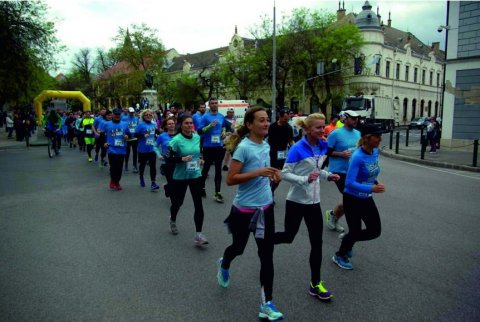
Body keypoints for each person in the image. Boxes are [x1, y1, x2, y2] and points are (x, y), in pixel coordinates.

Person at [216, 107, 283, 321]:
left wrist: (273, 174)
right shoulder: (243, 148)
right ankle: (225, 262)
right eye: (261, 120)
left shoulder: (266, 144)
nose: (266, 123)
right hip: (243, 210)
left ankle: (267, 304)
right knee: (238, 248)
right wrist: (259, 173)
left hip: (265, 208)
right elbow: (231, 179)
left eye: (267, 120)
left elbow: (264, 169)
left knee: (266, 256)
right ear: (249, 124)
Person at [274, 113, 339, 301]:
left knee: (317, 243)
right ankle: (266, 241)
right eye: (319, 127)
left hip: (314, 203)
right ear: (309, 129)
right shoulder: (297, 149)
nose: (322, 130)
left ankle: (315, 283)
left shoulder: (322, 146)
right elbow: (284, 173)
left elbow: (316, 169)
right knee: (288, 236)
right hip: (296, 201)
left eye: (323, 126)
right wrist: (304, 179)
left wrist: (328, 175)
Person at [332, 123, 386, 270]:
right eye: (377, 136)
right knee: (355, 230)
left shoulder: (374, 152)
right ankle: (340, 255)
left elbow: (371, 171)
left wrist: (376, 181)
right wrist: (372, 188)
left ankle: (349, 239)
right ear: (367, 138)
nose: (380, 139)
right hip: (352, 199)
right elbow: (349, 183)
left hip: (366, 198)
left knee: (375, 231)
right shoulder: (357, 157)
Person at [165, 114, 208, 245]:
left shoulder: (197, 137)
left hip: (195, 174)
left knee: (198, 204)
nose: (190, 125)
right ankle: (172, 219)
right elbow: (167, 158)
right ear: (181, 125)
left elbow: (199, 151)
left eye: (191, 123)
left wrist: (200, 158)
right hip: (180, 176)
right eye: (186, 123)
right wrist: (181, 159)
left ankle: (199, 235)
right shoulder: (175, 140)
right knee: (178, 202)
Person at [325, 110, 361, 235]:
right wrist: (340, 154)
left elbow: (359, 152)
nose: (355, 120)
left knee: (351, 199)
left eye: (357, 118)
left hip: (352, 170)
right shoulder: (335, 134)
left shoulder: (358, 133)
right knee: (351, 198)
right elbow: (326, 151)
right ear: (344, 119)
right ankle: (352, 230)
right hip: (338, 170)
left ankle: (333, 215)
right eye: (352, 118)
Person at [198, 97, 231, 203]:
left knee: (218, 170)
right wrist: (209, 126)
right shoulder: (205, 117)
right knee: (206, 169)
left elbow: (227, 128)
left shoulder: (221, 117)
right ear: (209, 105)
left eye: (216, 103)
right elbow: (199, 131)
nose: (214, 105)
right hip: (208, 147)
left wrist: (224, 133)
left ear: (218, 105)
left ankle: (218, 192)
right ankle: (201, 188)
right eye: (212, 103)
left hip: (219, 147)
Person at [267, 109, 294, 196]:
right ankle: (268, 192)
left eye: (288, 119)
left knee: (280, 175)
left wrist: (295, 149)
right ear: (280, 117)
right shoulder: (272, 126)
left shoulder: (289, 128)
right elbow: (267, 139)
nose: (287, 121)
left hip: (282, 154)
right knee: (271, 173)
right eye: (285, 119)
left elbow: (291, 141)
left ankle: (271, 190)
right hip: (272, 152)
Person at [103, 108, 131, 190]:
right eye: (116, 114)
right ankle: (113, 181)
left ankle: (117, 181)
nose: (117, 116)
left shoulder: (125, 124)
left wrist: (127, 136)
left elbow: (129, 134)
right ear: (112, 115)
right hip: (111, 148)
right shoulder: (107, 124)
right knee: (113, 167)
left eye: (119, 114)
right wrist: (104, 143)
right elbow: (101, 134)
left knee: (119, 167)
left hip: (122, 149)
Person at [135, 109, 160, 191]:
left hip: (152, 148)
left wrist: (157, 135)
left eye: (150, 115)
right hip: (143, 149)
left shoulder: (153, 124)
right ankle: (141, 177)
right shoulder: (141, 125)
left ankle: (153, 182)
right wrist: (142, 135)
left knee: (153, 166)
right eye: (146, 115)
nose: (148, 116)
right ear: (143, 116)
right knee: (142, 165)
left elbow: (155, 133)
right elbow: (135, 134)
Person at [154, 116, 177, 198]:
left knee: (175, 181)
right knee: (170, 180)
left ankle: (168, 188)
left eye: (173, 123)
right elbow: (155, 146)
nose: (171, 125)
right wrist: (159, 155)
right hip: (166, 162)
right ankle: (172, 196)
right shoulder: (162, 136)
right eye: (169, 124)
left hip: (177, 161)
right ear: (166, 126)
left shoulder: (179, 135)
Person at [122, 107, 139, 172]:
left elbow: (138, 127)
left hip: (135, 138)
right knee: (127, 153)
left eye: (132, 112)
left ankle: (135, 166)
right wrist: (124, 135)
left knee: (135, 153)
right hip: (128, 138)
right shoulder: (124, 119)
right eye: (130, 112)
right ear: (128, 112)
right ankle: (126, 164)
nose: (132, 113)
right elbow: (122, 127)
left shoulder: (136, 118)